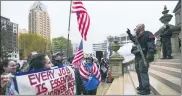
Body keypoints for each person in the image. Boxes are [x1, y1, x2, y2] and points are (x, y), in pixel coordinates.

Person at [127, 24, 156, 95]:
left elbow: (151, 45)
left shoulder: (148, 34)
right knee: (138, 71)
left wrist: (150, 55)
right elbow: (133, 39)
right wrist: (129, 34)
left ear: (141, 27)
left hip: (144, 56)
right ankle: (141, 86)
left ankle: (146, 89)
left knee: (143, 72)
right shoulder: (138, 37)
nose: (135, 28)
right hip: (138, 57)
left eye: (136, 27)